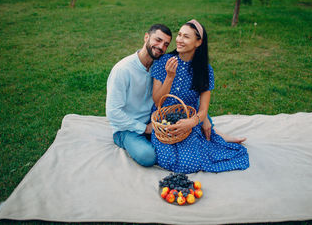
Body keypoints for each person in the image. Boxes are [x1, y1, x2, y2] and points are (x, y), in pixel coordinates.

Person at [150, 19, 250, 173]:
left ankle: (215, 136)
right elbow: (157, 101)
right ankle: (215, 134)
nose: (179, 40)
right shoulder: (164, 61)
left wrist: (191, 122)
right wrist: (169, 77)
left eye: (186, 36)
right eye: (179, 35)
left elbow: (203, 109)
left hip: (189, 121)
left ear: (198, 42)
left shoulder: (204, 70)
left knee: (190, 163)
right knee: (166, 159)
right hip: (164, 123)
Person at [106, 24, 172, 167]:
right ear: (146, 37)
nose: (161, 47)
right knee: (147, 156)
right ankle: (134, 141)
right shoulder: (123, 70)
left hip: (152, 121)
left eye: (166, 44)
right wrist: (145, 129)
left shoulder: (158, 66)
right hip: (127, 128)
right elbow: (113, 112)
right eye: (158, 40)